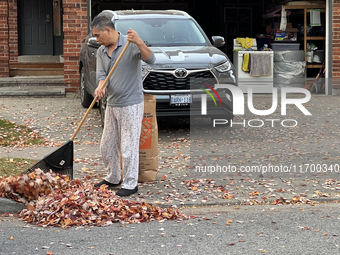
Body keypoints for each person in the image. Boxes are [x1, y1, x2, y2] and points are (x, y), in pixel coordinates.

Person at [91, 14, 156, 196]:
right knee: (107, 145)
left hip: (131, 104)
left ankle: (130, 183)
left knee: (128, 146)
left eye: (97, 35)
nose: (96, 39)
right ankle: (113, 177)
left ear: (108, 30)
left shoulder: (130, 45)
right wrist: (100, 87)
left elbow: (152, 59)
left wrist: (139, 41)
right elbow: (101, 74)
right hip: (111, 104)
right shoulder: (101, 52)